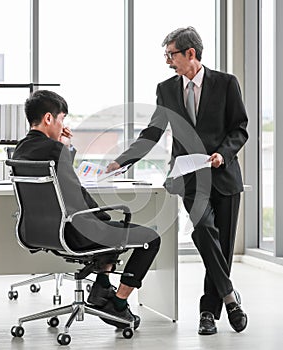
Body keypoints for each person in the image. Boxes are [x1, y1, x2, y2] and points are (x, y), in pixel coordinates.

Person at [107, 27, 248, 335]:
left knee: (220, 247)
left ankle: (208, 313)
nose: (168, 62)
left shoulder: (226, 84)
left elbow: (240, 128)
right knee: (204, 230)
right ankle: (230, 298)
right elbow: (153, 132)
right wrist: (123, 160)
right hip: (189, 178)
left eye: (171, 55)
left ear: (190, 54)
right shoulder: (167, 89)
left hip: (224, 176)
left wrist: (222, 154)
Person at [13, 89, 161, 330]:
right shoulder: (54, 151)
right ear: (49, 118)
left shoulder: (21, 149)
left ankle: (102, 288)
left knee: (108, 227)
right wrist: (102, 216)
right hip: (75, 234)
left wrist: (65, 148)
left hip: (40, 232)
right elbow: (76, 197)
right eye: (62, 119)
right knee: (150, 239)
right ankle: (119, 304)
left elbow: (60, 187)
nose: (63, 126)